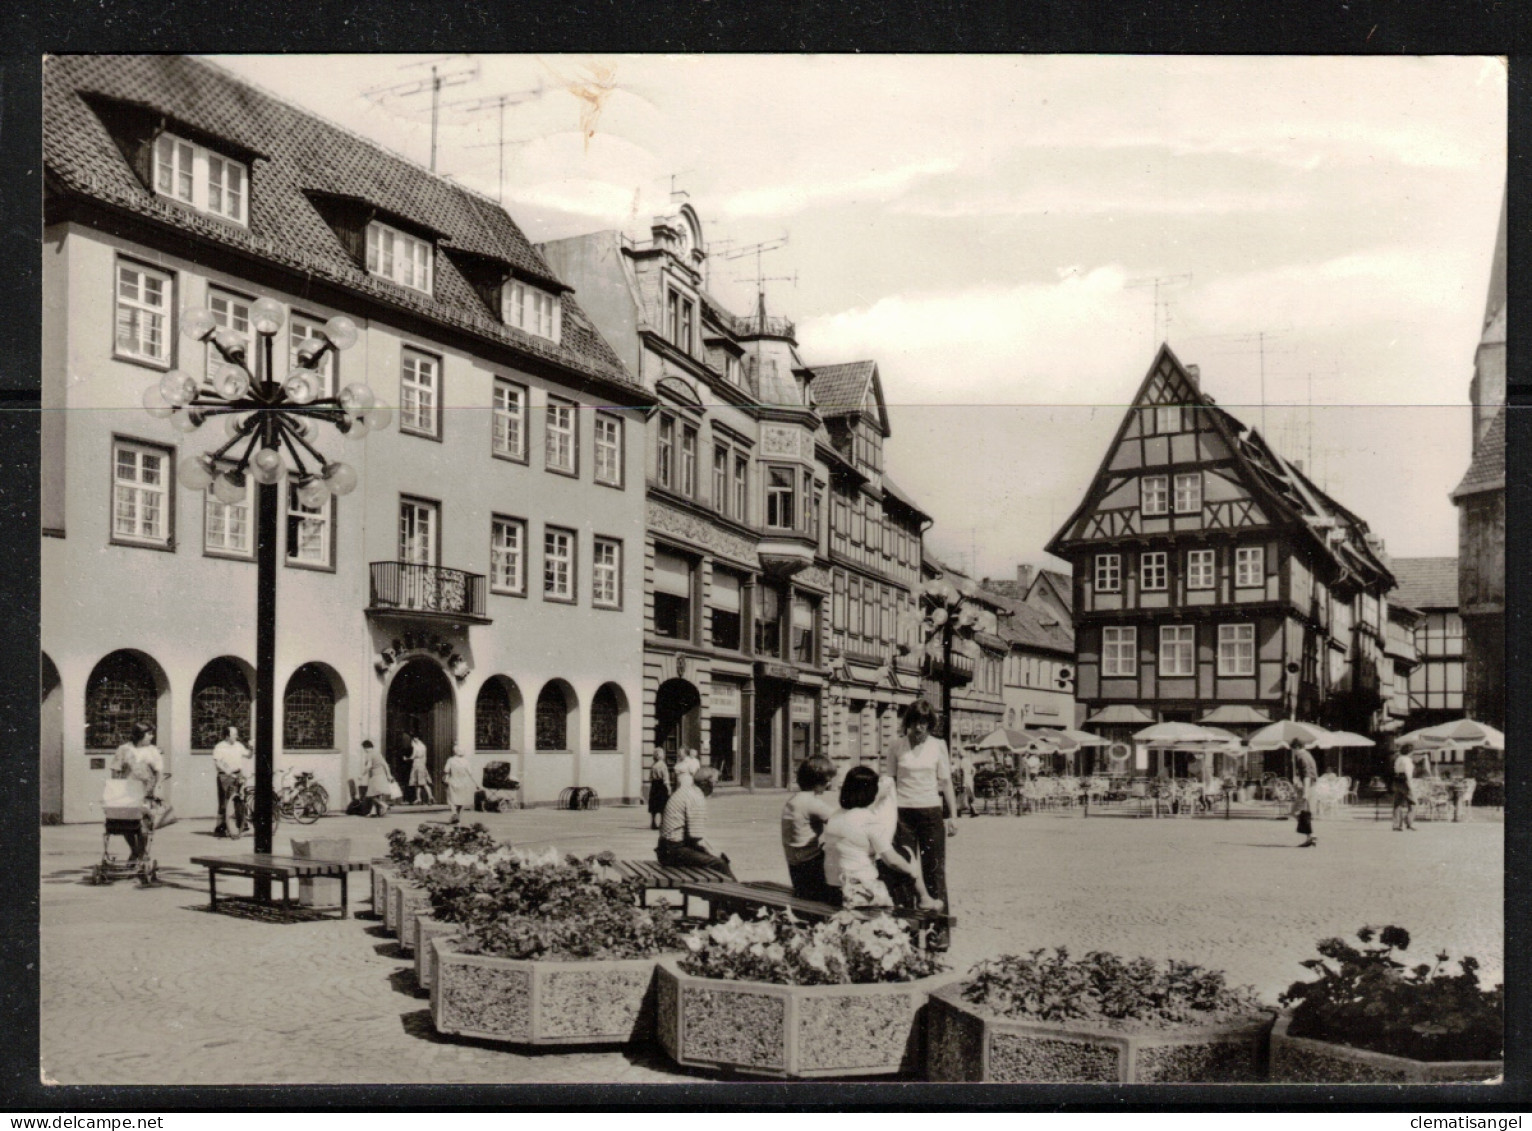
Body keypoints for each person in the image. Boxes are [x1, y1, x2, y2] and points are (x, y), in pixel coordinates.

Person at [822, 765, 941, 911]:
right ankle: (925, 900)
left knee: (897, 858)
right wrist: (913, 871)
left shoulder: (835, 815)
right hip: (859, 893)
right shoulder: (868, 820)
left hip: (833, 890)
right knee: (905, 855)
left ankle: (923, 900)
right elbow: (892, 861)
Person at [888, 698, 959, 915]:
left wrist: (953, 816)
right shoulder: (896, 745)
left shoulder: (938, 746)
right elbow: (890, 781)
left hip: (930, 813)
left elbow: (946, 782)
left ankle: (938, 929)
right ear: (909, 722)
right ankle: (907, 925)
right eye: (917, 722)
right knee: (905, 869)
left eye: (925, 723)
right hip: (902, 814)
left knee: (934, 869)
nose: (920, 727)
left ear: (930, 724)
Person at [657, 765, 734, 877]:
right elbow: (696, 838)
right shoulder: (696, 798)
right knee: (720, 864)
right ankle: (737, 892)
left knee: (714, 859)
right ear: (708, 783)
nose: (715, 787)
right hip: (673, 852)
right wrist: (716, 854)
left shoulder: (686, 790)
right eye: (715, 783)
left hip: (665, 849)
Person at [780, 755, 837, 901]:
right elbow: (840, 822)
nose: (829, 783)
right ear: (817, 780)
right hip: (810, 866)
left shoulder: (795, 799)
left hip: (796, 866)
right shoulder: (811, 802)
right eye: (826, 780)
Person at [107, 723, 163, 860]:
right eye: (149, 734)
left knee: (144, 826)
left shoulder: (153, 751)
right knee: (128, 825)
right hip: (128, 792)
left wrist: (158, 788)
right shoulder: (124, 749)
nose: (152, 736)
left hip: (147, 792)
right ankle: (135, 850)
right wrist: (116, 790)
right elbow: (115, 769)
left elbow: (159, 772)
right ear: (140, 735)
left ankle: (141, 852)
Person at [211, 725, 251, 837]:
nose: (236, 736)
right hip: (225, 776)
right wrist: (228, 772)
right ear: (227, 736)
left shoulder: (238, 745)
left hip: (238, 774)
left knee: (240, 800)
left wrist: (252, 748)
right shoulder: (220, 747)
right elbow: (217, 762)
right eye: (234, 734)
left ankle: (242, 824)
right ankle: (221, 827)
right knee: (224, 802)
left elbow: (248, 755)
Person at [1292, 739, 1319, 847]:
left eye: (1293, 750)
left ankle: (1311, 835)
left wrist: (1305, 792)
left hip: (1307, 787)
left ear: (1297, 748)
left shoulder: (1302, 757)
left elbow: (1307, 775)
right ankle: (1310, 836)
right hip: (1310, 786)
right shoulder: (1308, 755)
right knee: (1304, 813)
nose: (1293, 752)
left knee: (1296, 812)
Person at [358, 739, 393, 817]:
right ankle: (373, 812)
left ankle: (384, 805)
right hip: (382, 775)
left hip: (375, 776)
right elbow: (385, 765)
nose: (364, 751)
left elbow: (369, 766)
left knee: (371, 795)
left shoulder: (369, 754)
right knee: (377, 794)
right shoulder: (378, 753)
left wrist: (362, 775)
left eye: (364, 749)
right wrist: (389, 775)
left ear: (366, 747)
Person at [443, 744, 476, 824]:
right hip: (464, 783)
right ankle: (458, 818)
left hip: (453, 781)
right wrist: (476, 784)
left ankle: (454, 813)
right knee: (461, 801)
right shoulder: (466, 761)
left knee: (451, 799)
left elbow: (446, 770)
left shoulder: (451, 760)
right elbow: (470, 773)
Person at [1391, 747, 1418, 832]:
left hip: (1397, 780)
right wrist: (1410, 784)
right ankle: (1409, 821)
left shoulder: (1398, 759)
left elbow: (1395, 769)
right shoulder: (1407, 760)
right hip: (1405, 781)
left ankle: (1397, 825)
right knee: (1414, 803)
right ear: (1410, 752)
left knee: (1397, 803)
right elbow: (1408, 772)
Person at [647, 750, 671, 831]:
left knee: (654, 804)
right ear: (662, 755)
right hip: (661, 785)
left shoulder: (653, 765)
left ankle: (653, 822)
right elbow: (666, 778)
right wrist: (668, 787)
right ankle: (662, 823)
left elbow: (650, 777)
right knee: (662, 804)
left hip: (654, 785)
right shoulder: (663, 765)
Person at [406, 732, 431, 805]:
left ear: (415, 738)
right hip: (422, 765)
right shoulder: (423, 746)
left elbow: (414, 755)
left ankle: (426, 797)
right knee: (420, 783)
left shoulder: (417, 746)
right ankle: (421, 798)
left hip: (417, 764)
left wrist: (407, 758)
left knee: (420, 783)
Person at [953, 747, 978, 817]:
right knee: (970, 795)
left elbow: (963, 772)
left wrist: (963, 782)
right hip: (969, 778)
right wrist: (972, 776)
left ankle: (959, 811)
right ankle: (973, 811)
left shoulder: (963, 762)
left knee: (961, 795)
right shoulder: (968, 760)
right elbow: (974, 770)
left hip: (964, 779)